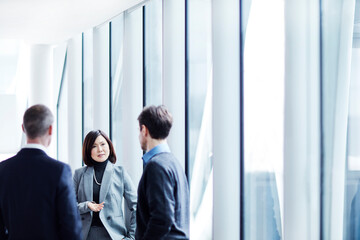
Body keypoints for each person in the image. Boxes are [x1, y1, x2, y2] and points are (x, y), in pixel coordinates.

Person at [0, 104, 82, 240]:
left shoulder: (3, 170)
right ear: (50, 129)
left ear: (23, 129)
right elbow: (71, 227)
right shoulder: (60, 171)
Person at [136, 105, 190, 240]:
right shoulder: (173, 162)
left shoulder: (156, 166)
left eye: (139, 130)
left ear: (144, 130)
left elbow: (162, 218)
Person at [73, 130, 137, 240]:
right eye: (94, 146)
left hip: (114, 235)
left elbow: (136, 206)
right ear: (88, 150)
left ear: (109, 146)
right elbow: (68, 205)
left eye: (103, 144)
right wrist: (86, 205)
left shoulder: (120, 173)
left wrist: (131, 237)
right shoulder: (79, 174)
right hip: (85, 235)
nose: (100, 149)